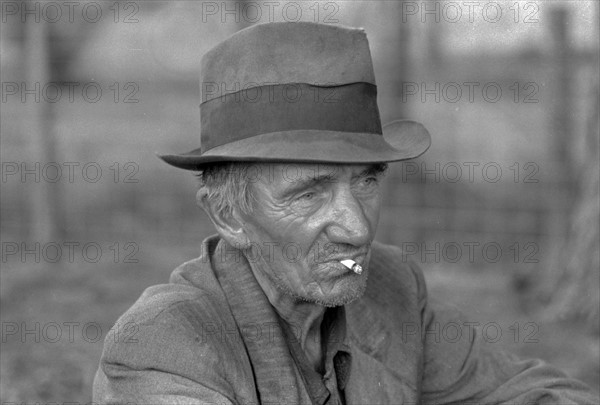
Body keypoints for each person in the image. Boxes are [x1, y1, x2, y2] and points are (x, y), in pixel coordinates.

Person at [93, 22, 598, 404]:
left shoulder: (391, 288)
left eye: (367, 180)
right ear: (229, 218)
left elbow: (539, 393)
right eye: (309, 194)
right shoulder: (162, 344)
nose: (358, 228)